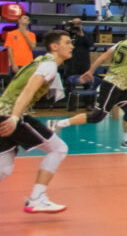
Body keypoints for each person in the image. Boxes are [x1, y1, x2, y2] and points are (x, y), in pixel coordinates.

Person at [0, 29, 75, 213]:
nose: (71, 46)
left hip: (4, 112)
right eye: (67, 42)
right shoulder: (49, 65)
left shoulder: (40, 61)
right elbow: (28, 90)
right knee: (58, 149)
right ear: (54, 46)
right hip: (11, 114)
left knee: (4, 168)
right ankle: (37, 198)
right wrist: (15, 117)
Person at [67, 20, 127, 150]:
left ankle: (126, 141)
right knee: (97, 116)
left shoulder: (120, 44)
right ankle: (60, 124)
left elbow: (102, 57)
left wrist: (91, 71)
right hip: (114, 84)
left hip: (119, 86)